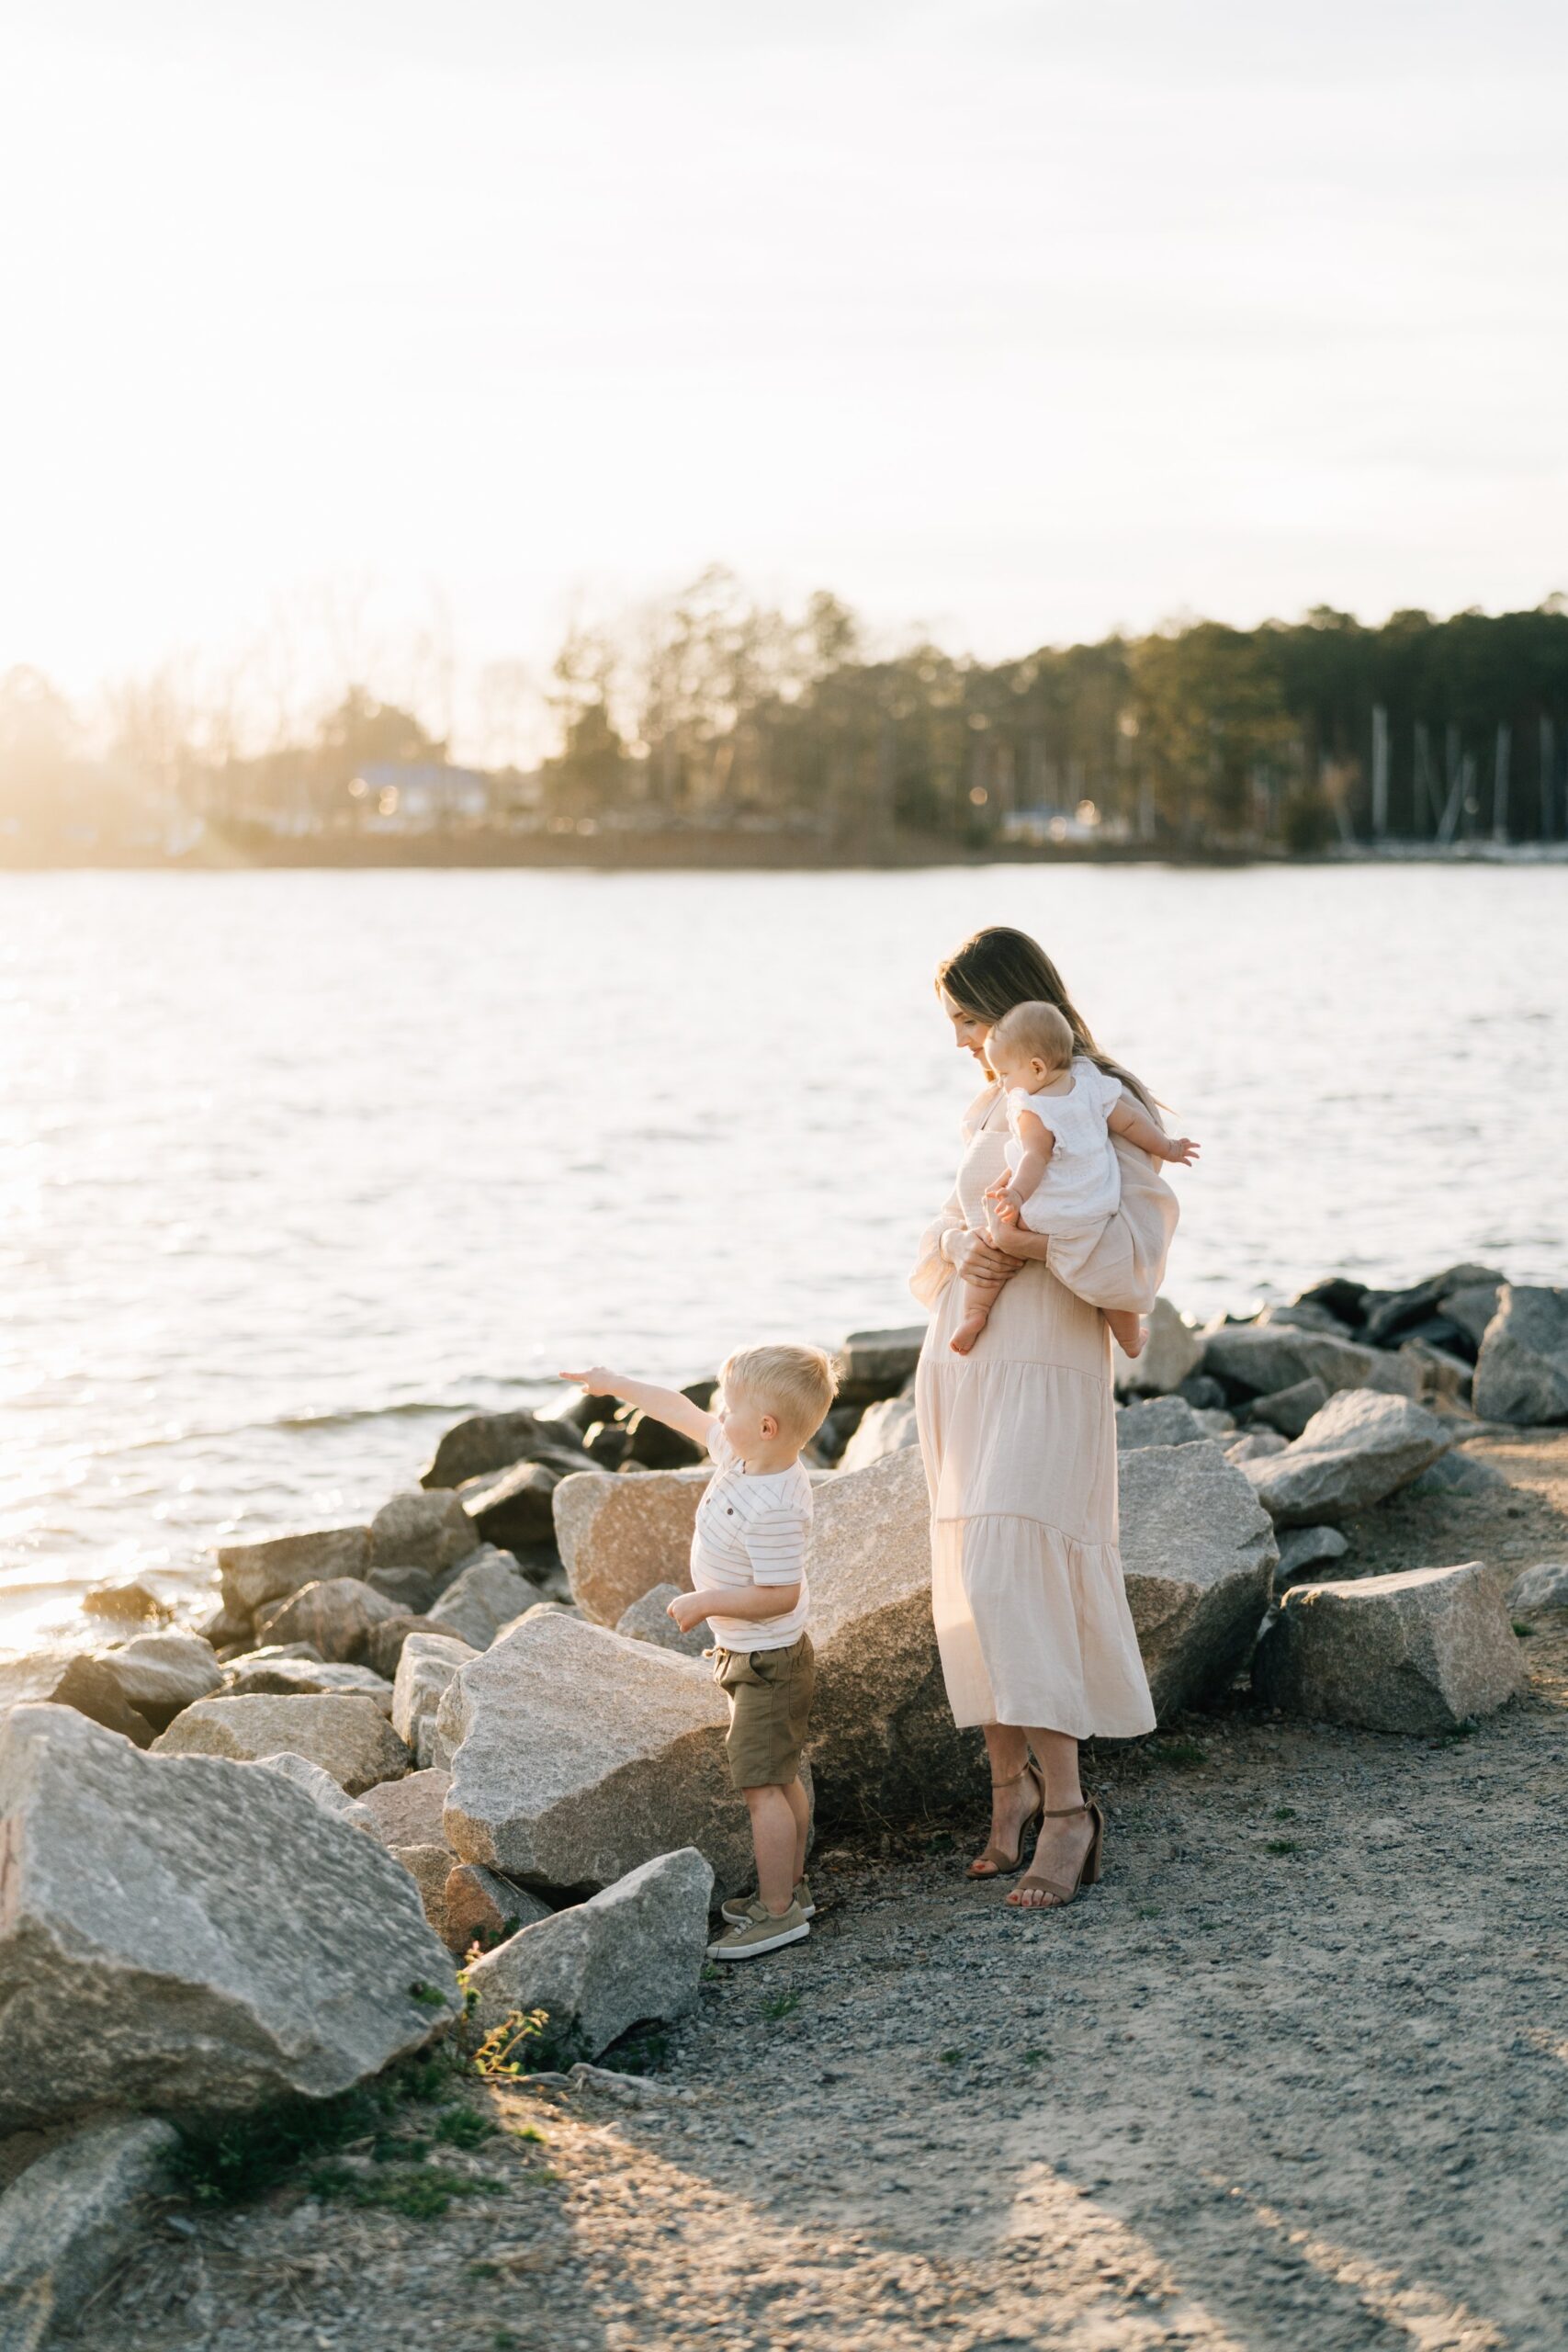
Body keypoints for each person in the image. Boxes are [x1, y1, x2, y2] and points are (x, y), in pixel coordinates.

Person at [911, 926, 1179, 1911]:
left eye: (966, 1020)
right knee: (977, 1570)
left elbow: (1133, 1263)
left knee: (1013, 1560)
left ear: (1013, 1003)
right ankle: (1007, 1790)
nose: (958, 1043)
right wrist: (972, 1238)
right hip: (964, 1361)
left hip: (1049, 1363)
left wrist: (1021, 1245)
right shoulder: (997, 1099)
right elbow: (939, 1236)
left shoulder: (1105, 1099)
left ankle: (1070, 1812)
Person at [556, 1343, 837, 1959]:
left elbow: (780, 1595)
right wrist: (614, 1382)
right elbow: (678, 1410)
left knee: (761, 1785)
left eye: (728, 1405)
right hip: (752, 1656)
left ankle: (778, 1912)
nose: (717, 1413)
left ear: (765, 1426)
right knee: (779, 1773)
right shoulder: (743, 1454)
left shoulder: (775, 1506)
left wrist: (705, 1603)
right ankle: (789, 1887)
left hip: (768, 1661)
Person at [949, 997, 1199, 1360]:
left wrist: (1015, 1194)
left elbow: (1033, 1158)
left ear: (1035, 1067)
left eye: (1005, 1075)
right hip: (1096, 1208)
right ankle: (1130, 1339)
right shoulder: (1090, 1082)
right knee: (1110, 1283)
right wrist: (1169, 1147)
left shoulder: (1032, 1109)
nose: (1003, 1086)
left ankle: (975, 1314)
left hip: (1045, 1210)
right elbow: (1131, 1122)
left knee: (993, 1241)